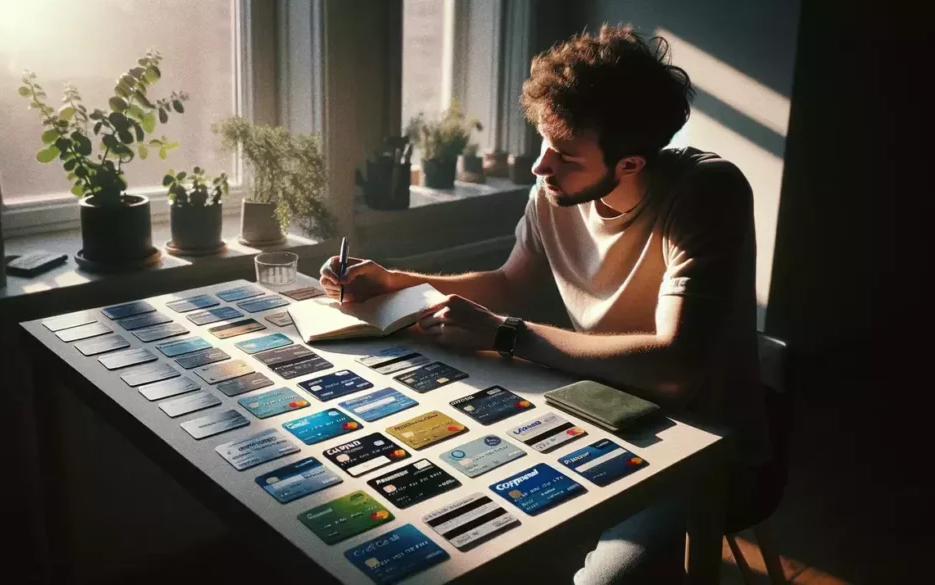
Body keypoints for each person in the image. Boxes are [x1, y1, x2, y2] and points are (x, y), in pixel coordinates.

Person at [321, 24, 770, 584]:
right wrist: (395, 281)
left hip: (701, 445)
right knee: (449, 530)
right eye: (543, 143)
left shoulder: (707, 192)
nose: (541, 167)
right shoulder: (553, 189)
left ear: (630, 164)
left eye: (564, 154)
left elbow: (675, 368)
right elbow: (510, 284)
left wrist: (504, 334)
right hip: (593, 409)